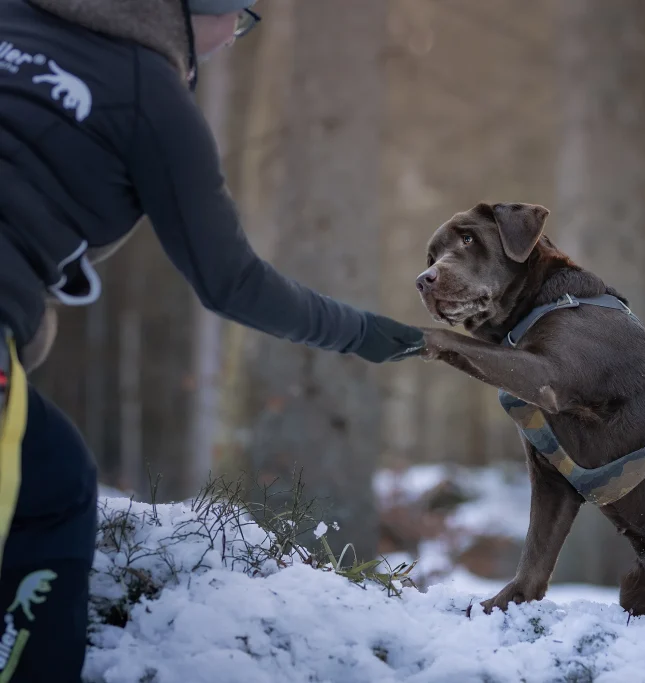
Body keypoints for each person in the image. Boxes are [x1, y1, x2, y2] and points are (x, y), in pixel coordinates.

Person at [0, 0, 425, 679]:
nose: (233, 37)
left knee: (53, 472)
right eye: (239, 16)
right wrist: (362, 331)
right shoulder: (150, 94)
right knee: (54, 494)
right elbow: (232, 282)